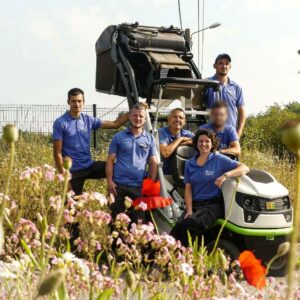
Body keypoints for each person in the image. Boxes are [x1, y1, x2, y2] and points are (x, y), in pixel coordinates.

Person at [170, 128, 249, 247]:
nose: (204, 144)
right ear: (196, 144)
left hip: (213, 205)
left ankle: (189, 261)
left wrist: (225, 176)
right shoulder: (189, 164)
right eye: (200, 141)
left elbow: (244, 168)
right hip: (195, 205)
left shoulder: (219, 159)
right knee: (175, 232)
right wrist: (189, 210)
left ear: (212, 144)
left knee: (189, 226)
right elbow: (188, 189)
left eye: (207, 141)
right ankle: (169, 262)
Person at [53, 88, 129, 195]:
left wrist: (132, 113)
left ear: (83, 102)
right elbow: (57, 153)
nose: (77, 104)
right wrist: (64, 178)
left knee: (118, 168)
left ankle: (115, 199)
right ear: (68, 102)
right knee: (70, 207)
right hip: (73, 172)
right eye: (73, 101)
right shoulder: (60, 123)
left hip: (89, 166)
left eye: (79, 101)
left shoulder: (88, 120)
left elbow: (115, 124)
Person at [106, 103, 158, 223]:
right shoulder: (118, 137)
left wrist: (150, 184)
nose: (138, 119)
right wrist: (109, 180)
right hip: (119, 187)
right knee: (117, 223)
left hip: (139, 188)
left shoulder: (150, 139)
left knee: (139, 225)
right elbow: (110, 160)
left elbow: (153, 162)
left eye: (141, 116)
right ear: (129, 116)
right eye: (135, 115)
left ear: (145, 119)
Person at [206, 54, 246, 137]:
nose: (224, 66)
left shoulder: (236, 88)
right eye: (220, 63)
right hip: (210, 134)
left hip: (230, 134)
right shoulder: (206, 83)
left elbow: (241, 111)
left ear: (230, 66)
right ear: (214, 65)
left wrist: (239, 132)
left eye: (227, 64)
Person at [158, 108, 194, 175]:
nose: (178, 119)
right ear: (169, 120)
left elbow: (198, 143)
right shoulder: (161, 132)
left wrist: (179, 144)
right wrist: (180, 139)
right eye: (175, 117)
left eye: (181, 118)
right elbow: (166, 153)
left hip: (185, 174)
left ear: (184, 121)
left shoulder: (188, 134)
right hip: (165, 175)